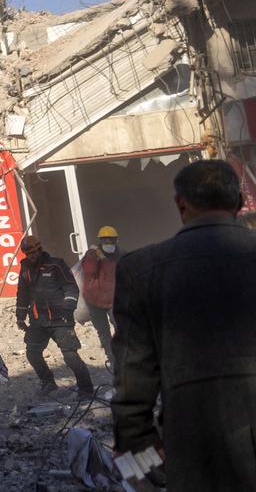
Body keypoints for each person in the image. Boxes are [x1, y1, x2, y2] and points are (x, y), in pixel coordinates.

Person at [113, 160, 256, 490]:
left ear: (181, 204)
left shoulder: (141, 270)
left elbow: (132, 378)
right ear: (238, 203)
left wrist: (141, 453)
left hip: (195, 447)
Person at [16, 235, 94, 396]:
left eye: (33, 252)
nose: (31, 256)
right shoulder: (25, 269)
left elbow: (71, 288)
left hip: (60, 320)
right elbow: (22, 294)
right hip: (38, 320)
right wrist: (20, 316)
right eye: (28, 254)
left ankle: (86, 389)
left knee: (70, 355)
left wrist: (67, 308)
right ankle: (48, 382)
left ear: (39, 249)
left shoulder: (56, 265)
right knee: (32, 353)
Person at [79, 225, 120, 368]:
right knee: (103, 331)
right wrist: (95, 255)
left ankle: (121, 354)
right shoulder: (92, 255)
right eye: (105, 240)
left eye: (111, 240)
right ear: (100, 241)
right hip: (94, 300)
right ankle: (112, 358)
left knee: (120, 327)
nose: (108, 243)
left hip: (113, 299)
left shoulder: (120, 255)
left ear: (116, 240)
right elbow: (90, 270)